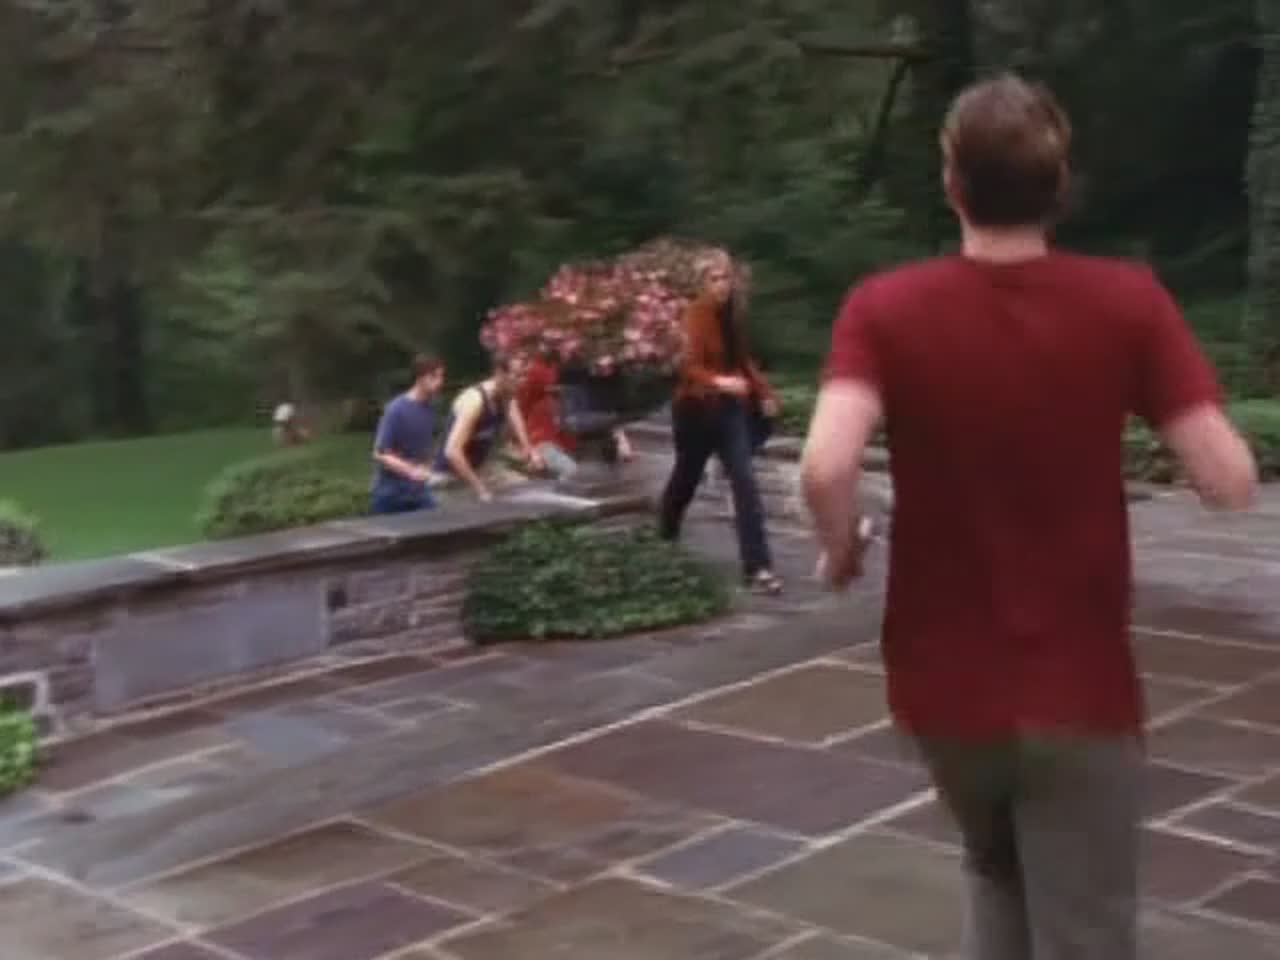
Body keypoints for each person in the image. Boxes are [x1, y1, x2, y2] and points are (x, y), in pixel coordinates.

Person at [801, 73, 1257, 960]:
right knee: (1085, 931)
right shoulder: (1127, 302)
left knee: (993, 868)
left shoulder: (884, 308)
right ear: (1059, 185)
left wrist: (841, 547)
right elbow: (1230, 479)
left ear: (952, 182)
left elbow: (825, 464)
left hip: (940, 689)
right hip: (1077, 689)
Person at [659, 250, 783, 595]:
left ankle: (758, 567)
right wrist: (719, 382)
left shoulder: (731, 316)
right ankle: (664, 535)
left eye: (725, 277)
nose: (722, 285)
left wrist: (764, 392)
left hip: (728, 411)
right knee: (686, 478)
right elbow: (687, 366)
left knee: (745, 480)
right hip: (695, 410)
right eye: (714, 279)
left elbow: (742, 360)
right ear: (702, 283)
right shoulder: (693, 316)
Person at [433, 357, 541, 502]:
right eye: (517, 376)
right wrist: (480, 489)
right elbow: (452, 452)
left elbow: (515, 419)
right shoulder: (474, 401)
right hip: (449, 477)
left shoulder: (507, 395)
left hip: (480, 470)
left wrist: (530, 451)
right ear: (500, 373)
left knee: (525, 488)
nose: (522, 382)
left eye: (524, 376)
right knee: (486, 503)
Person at [516, 355, 633, 484]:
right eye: (599, 368)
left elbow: (603, 417)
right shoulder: (543, 395)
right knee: (571, 471)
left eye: (609, 368)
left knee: (604, 467)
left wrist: (620, 437)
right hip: (544, 443)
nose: (603, 372)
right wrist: (529, 449)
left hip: (569, 445)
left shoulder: (587, 395)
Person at [369, 355, 446, 515]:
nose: (439, 382)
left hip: (418, 490)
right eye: (434, 377)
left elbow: (425, 445)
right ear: (420, 378)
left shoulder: (431, 408)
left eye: (441, 377)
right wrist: (412, 471)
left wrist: (429, 467)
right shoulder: (396, 409)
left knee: (437, 521)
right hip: (391, 492)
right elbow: (380, 453)